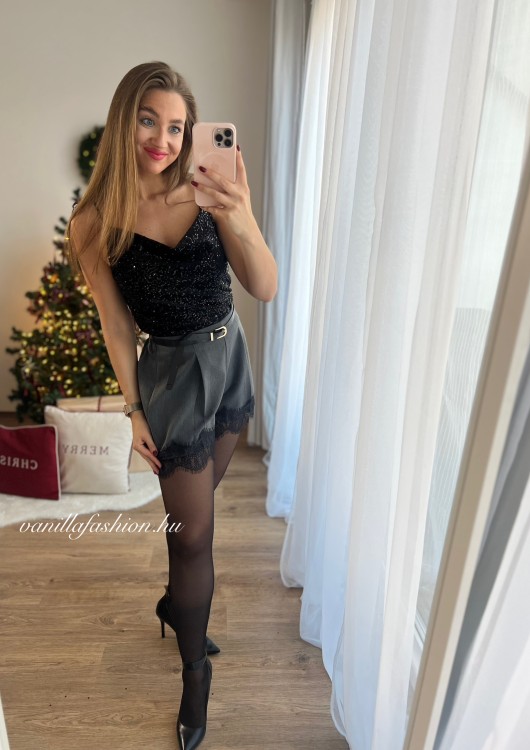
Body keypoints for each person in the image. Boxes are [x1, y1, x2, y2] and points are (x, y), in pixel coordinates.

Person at [67, 61, 277, 750]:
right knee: (192, 536)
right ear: (124, 120)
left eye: (177, 126)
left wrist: (240, 214)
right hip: (172, 376)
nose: (162, 139)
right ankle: (194, 678)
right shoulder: (95, 222)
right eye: (148, 120)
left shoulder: (210, 187)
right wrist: (132, 410)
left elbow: (264, 286)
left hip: (229, 357)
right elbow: (115, 322)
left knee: (195, 515)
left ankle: (173, 604)